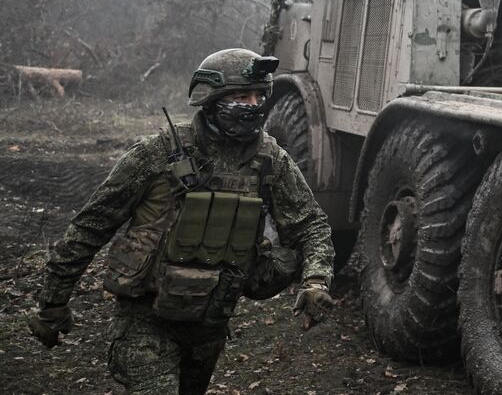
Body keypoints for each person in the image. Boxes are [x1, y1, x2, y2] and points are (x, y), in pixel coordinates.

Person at [28, 48, 336, 394]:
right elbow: (91, 226)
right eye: (241, 97)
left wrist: (316, 281)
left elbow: (311, 225)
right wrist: (53, 303)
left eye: (259, 96)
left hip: (209, 328)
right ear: (211, 99)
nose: (253, 105)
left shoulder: (271, 161)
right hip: (145, 323)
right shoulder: (156, 154)